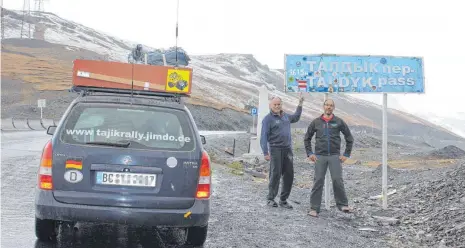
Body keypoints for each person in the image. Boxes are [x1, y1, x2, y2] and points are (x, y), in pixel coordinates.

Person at [303, 98, 354, 217]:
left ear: (333, 108)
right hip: (320, 156)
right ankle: (314, 208)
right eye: (327, 105)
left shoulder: (339, 121)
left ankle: (342, 205)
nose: (328, 107)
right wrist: (310, 153)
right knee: (318, 180)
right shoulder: (316, 122)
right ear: (323, 106)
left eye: (331, 105)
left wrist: (346, 154)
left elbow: (349, 138)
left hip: (335, 156)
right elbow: (307, 138)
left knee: (337, 179)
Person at [260, 93, 304, 209]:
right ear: (270, 105)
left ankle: (283, 200)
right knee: (275, 174)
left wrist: (300, 104)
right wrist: (265, 152)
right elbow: (263, 136)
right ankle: (270, 199)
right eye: (275, 104)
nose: (277, 106)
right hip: (275, 149)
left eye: (279, 104)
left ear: (281, 105)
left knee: (289, 175)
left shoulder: (285, 116)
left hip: (287, 150)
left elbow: (296, 117)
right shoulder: (267, 119)